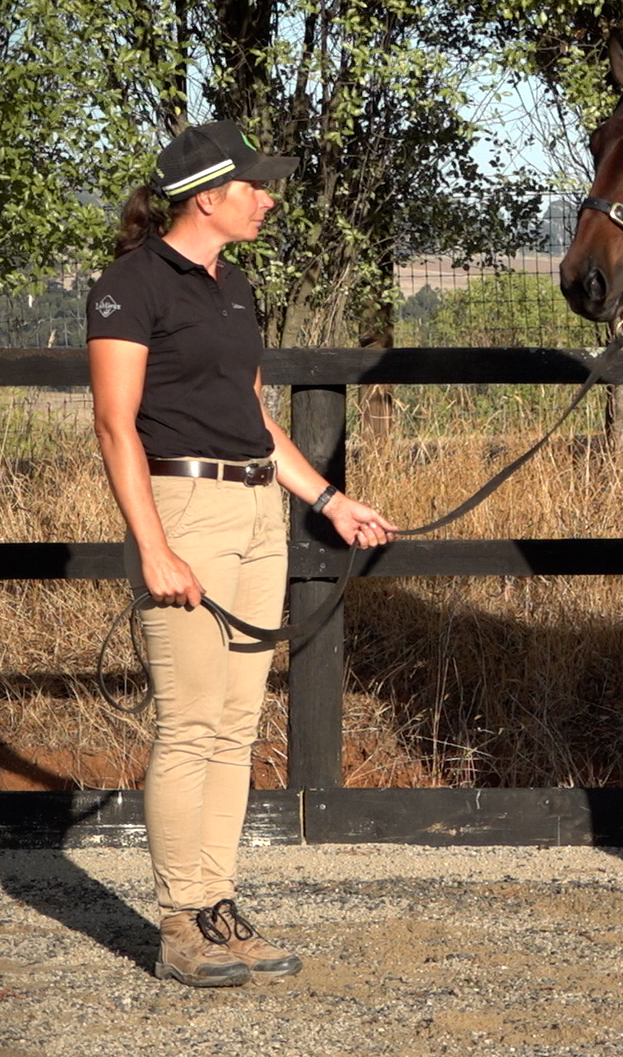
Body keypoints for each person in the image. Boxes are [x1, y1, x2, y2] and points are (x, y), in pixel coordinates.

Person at [87, 122, 398, 987]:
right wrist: (154, 547)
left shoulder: (237, 287)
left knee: (235, 725)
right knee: (189, 724)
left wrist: (328, 500)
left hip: (258, 508)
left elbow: (253, 414)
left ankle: (217, 906)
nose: (267, 200)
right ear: (207, 196)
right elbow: (114, 424)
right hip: (183, 509)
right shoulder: (129, 287)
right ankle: (180, 923)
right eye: (255, 187)